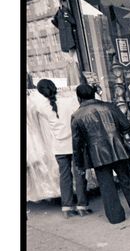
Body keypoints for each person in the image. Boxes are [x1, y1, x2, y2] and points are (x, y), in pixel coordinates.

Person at [71, 84, 130, 224]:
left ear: (78, 98)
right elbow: (126, 125)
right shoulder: (109, 106)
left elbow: (77, 143)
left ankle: (116, 217)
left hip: (96, 154)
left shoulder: (77, 116)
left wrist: (79, 163)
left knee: (106, 185)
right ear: (94, 94)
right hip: (118, 147)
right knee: (126, 180)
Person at [30, 79, 91, 216]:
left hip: (58, 147)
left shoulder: (42, 108)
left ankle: (67, 208)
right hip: (74, 145)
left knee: (64, 177)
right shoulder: (70, 101)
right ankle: (82, 206)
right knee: (79, 175)